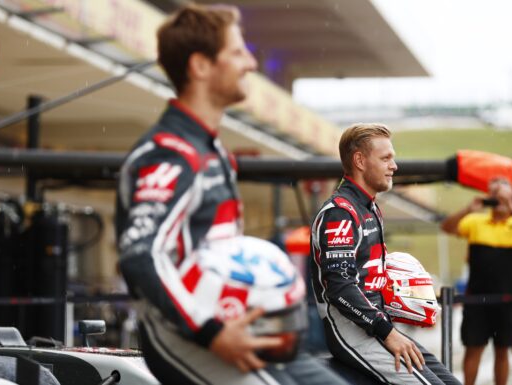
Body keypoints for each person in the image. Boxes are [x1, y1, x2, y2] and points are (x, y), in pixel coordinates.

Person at [115, 4, 348, 385]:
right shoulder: (172, 152)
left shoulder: (211, 149)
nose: (251, 64)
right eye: (238, 52)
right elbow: (140, 256)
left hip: (238, 328)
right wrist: (212, 333)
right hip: (191, 337)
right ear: (201, 66)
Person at [310, 123, 461, 385]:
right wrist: (388, 332)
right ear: (359, 160)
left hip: (377, 327)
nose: (395, 166)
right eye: (386, 158)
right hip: (352, 331)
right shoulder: (340, 212)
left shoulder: (369, 208)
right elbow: (340, 287)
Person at [440, 178, 512, 385]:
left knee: (502, 349)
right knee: (473, 347)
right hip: (477, 297)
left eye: (503, 197)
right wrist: (468, 209)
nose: (497, 201)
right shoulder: (476, 221)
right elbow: (447, 227)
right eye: (494, 196)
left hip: (508, 298)